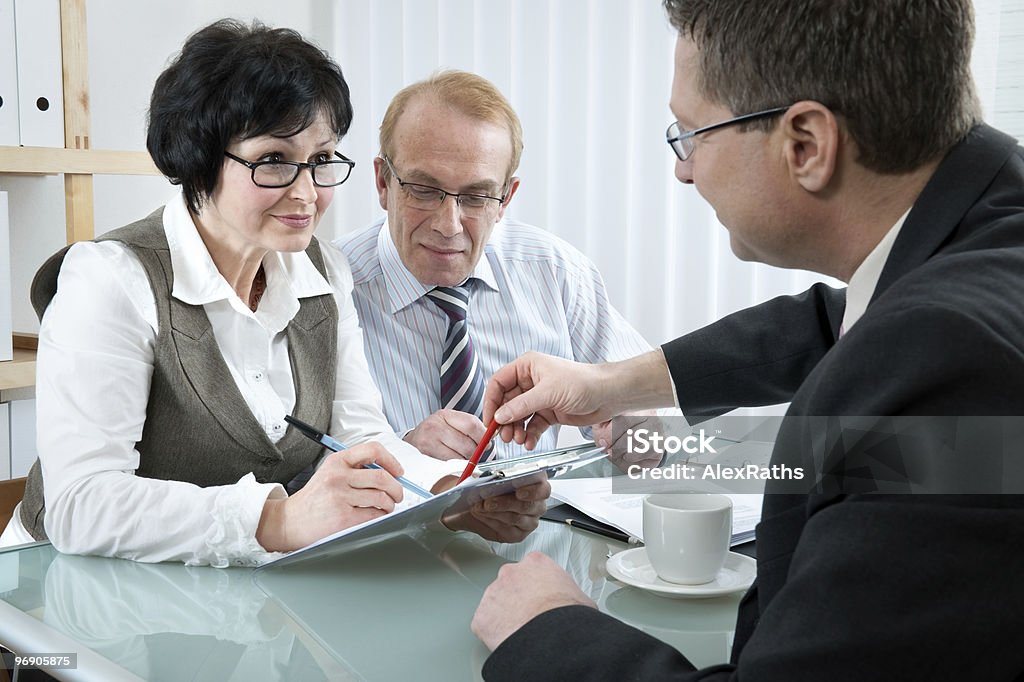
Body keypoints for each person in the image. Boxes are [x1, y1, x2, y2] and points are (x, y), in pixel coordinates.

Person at [469, 0, 1024, 679]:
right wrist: (607, 384)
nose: (683, 170)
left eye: (691, 133)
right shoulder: (987, 224)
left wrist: (549, 629)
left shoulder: (944, 364)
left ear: (806, 146)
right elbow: (836, 321)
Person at [0, 19, 548, 566]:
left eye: (320, 159)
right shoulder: (110, 279)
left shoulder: (322, 272)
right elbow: (81, 505)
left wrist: (453, 496)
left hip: (226, 600)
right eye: (275, 161)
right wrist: (277, 519)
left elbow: (363, 436)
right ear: (199, 156)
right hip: (65, 591)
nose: (307, 192)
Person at [336, 70, 652, 463]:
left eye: (476, 196)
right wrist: (402, 455)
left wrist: (639, 435)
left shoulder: (554, 272)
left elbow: (649, 421)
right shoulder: (327, 290)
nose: (448, 225)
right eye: (424, 190)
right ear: (383, 182)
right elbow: (296, 473)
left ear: (506, 199)